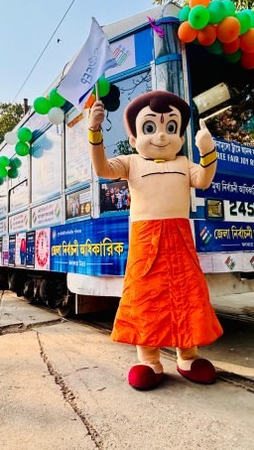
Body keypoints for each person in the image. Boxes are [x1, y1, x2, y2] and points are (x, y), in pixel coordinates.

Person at [89, 90, 222, 390]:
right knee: (146, 297)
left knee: (187, 294)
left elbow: (203, 179)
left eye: (171, 128)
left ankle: (187, 356)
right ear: (134, 138)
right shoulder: (131, 162)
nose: (161, 135)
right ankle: (149, 360)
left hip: (179, 239)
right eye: (150, 128)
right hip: (145, 240)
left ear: (181, 135)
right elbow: (102, 169)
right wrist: (95, 131)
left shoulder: (185, 163)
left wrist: (207, 152)